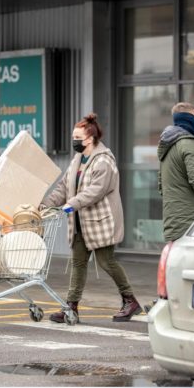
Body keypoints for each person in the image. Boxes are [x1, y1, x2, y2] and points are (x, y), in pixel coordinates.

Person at [43, 113, 140, 323]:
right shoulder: (77, 159)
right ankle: (71, 307)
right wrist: (46, 204)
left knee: (107, 261)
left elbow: (96, 190)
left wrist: (72, 204)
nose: (74, 141)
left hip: (99, 222)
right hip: (79, 222)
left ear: (90, 139)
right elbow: (64, 186)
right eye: (73, 137)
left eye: (77, 137)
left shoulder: (104, 160)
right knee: (78, 263)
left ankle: (130, 300)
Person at [158, 102, 194, 243]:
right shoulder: (190, 144)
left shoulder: (167, 147)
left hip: (174, 223)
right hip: (192, 226)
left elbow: (161, 187)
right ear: (190, 119)